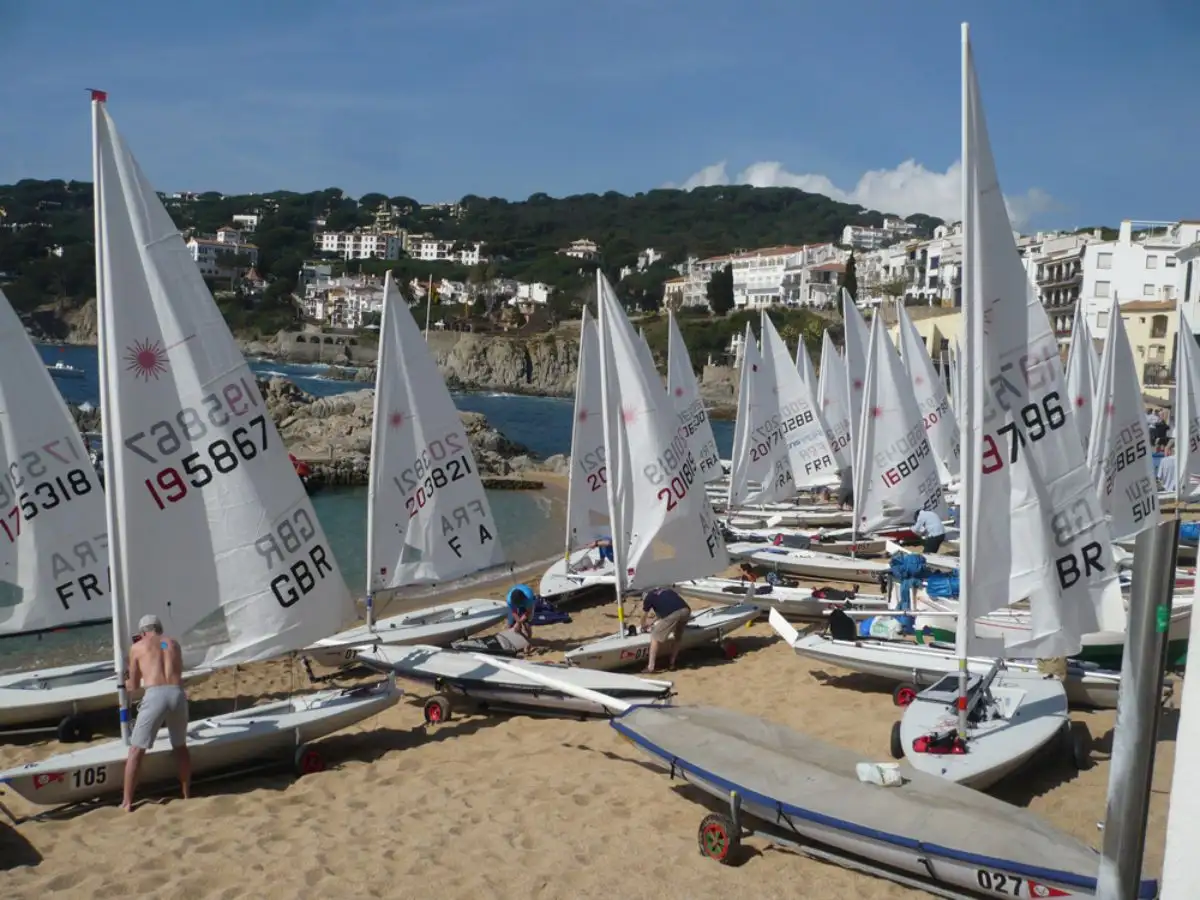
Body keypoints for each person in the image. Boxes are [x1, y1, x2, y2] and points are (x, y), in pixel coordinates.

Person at [123, 614, 190, 811]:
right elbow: (173, 665)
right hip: (177, 694)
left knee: (136, 750)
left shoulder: (138, 647)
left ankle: (127, 802)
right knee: (180, 747)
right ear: (159, 629)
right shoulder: (172, 644)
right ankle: (187, 794)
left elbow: (134, 685)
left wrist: (125, 679)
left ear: (143, 632)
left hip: (156, 695)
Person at [640, 587, 691, 674]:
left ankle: (650, 667)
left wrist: (643, 625)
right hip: (686, 610)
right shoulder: (666, 590)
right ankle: (672, 664)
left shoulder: (648, 597)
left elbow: (643, 616)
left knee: (655, 636)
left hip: (673, 614)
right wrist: (651, 623)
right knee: (677, 636)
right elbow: (663, 613)